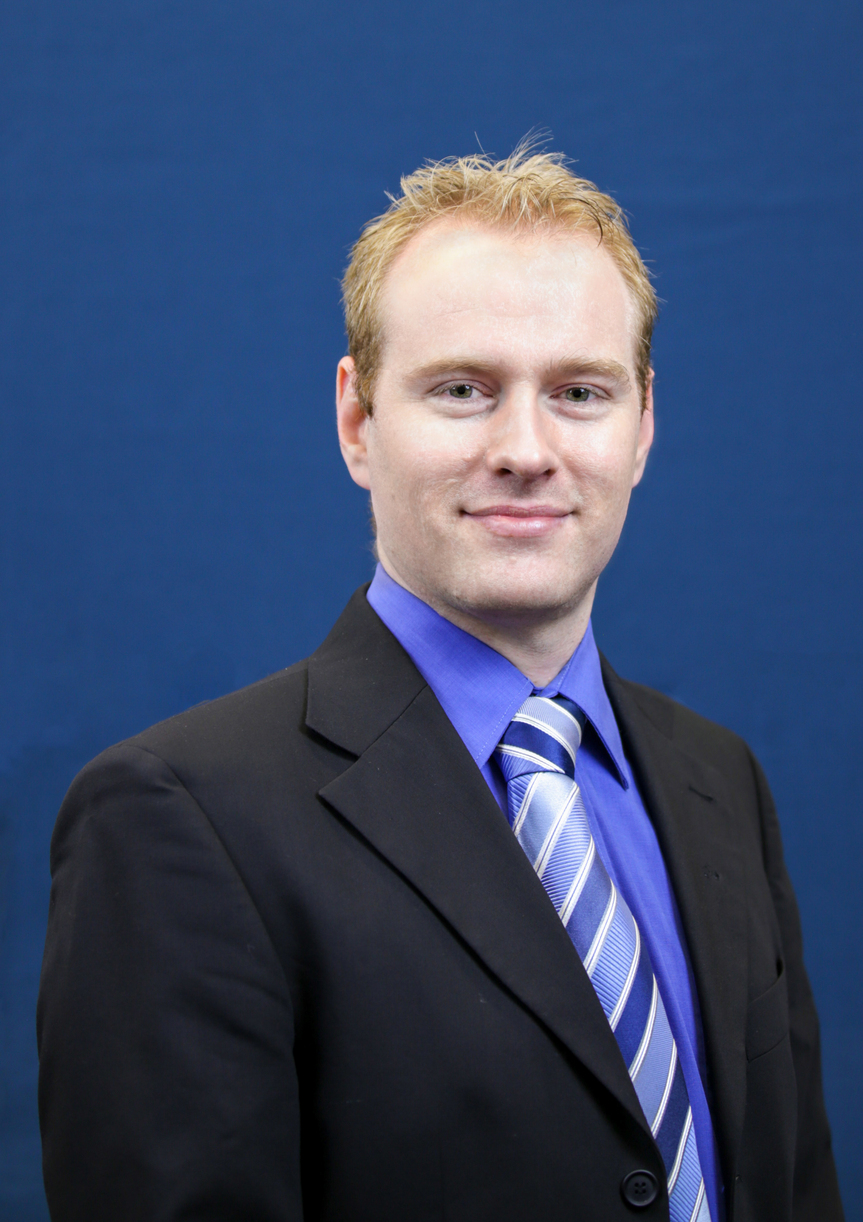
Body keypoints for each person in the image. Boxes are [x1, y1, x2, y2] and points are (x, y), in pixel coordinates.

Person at [37, 149, 843, 1222]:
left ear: (642, 424)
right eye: (462, 390)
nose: (526, 450)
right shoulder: (177, 817)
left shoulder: (717, 780)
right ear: (357, 420)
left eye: (579, 392)